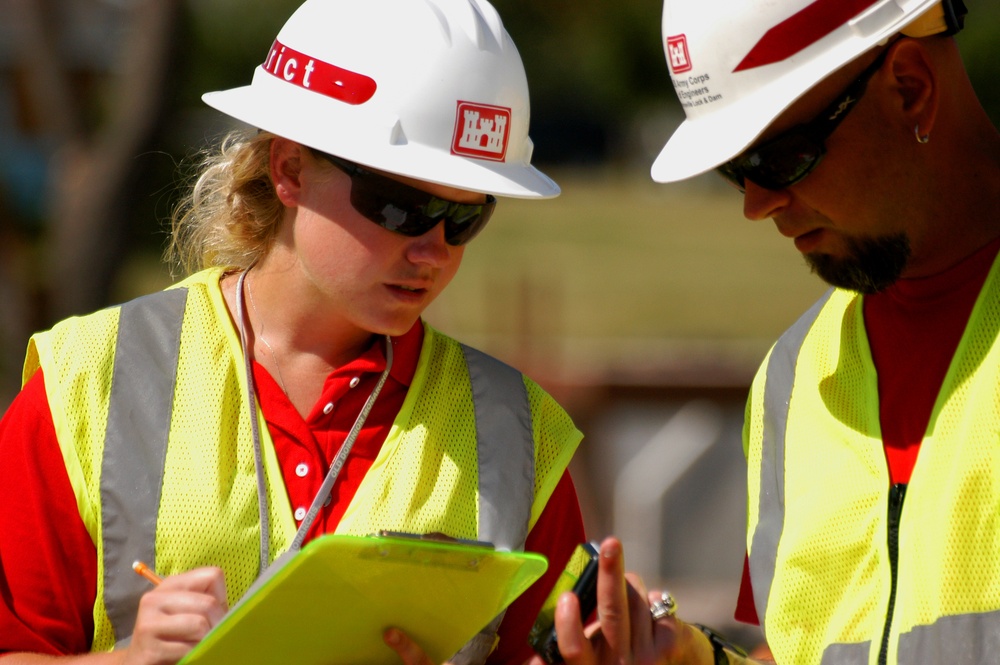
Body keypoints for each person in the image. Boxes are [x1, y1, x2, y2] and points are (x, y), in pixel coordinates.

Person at [0, 1, 587, 663]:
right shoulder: (88, 383)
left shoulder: (516, 437)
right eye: (400, 207)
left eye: (465, 217)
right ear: (289, 171)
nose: (433, 250)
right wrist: (125, 660)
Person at [527, 0, 1000, 663]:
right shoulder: (794, 374)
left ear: (909, 88)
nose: (756, 204)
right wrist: (687, 658)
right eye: (735, 169)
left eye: (780, 158)